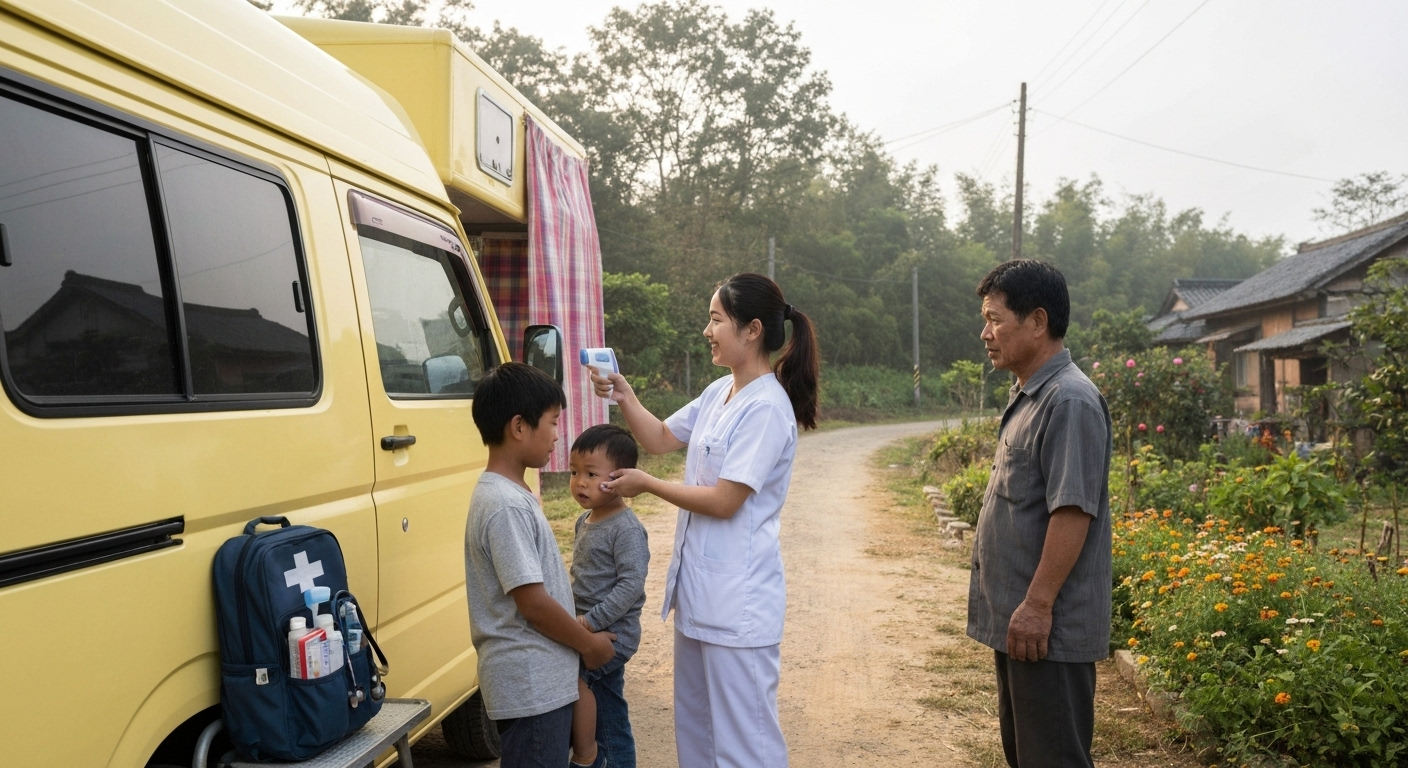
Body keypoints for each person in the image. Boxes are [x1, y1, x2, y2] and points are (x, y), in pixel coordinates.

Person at [588, 273, 819, 768]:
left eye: (716, 319)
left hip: (740, 607)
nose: (706, 330)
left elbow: (724, 501)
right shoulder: (721, 393)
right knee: (697, 735)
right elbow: (660, 439)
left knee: (745, 746)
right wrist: (624, 394)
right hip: (699, 596)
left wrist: (647, 485)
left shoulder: (767, 408)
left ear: (752, 329)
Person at [966, 260, 1114, 768]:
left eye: (994, 319)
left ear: (1037, 321)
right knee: (1029, 755)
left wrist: (1037, 605)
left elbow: (1072, 512)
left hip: (1047, 630)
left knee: (1053, 758)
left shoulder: (1069, 400)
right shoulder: (1033, 393)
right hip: (1024, 626)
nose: (985, 333)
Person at [464, 362, 617, 768]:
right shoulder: (505, 505)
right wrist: (589, 645)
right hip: (530, 686)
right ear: (518, 427)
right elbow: (531, 602)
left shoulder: (512, 495)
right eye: (551, 423)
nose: (556, 435)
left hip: (540, 682)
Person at [567, 424, 650, 768]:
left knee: (593, 694)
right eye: (574, 472)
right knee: (605, 704)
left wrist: (590, 622)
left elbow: (631, 586)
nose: (580, 482)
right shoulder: (584, 520)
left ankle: (592, 758)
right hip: (588, 625)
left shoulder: (626, 528)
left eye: (590, 473)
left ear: (619, 479)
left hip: (613, 633)